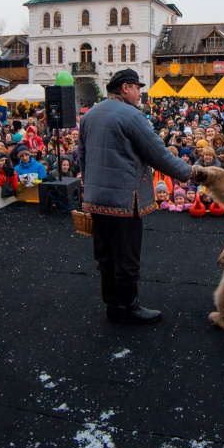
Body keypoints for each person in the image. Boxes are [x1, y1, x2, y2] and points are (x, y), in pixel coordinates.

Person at [79, 68, 193, 324]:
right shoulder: (132, 116)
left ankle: (113, 306)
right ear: (124, 89)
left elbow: (83, 157)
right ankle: (130, 307)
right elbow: (158, 154)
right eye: (137, 87)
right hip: (123, 200)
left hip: (96, 200)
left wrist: (91, 188)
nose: (140, 93)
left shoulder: (89, 116)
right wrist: (189, 172)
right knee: (127, 256)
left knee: (106, 256)